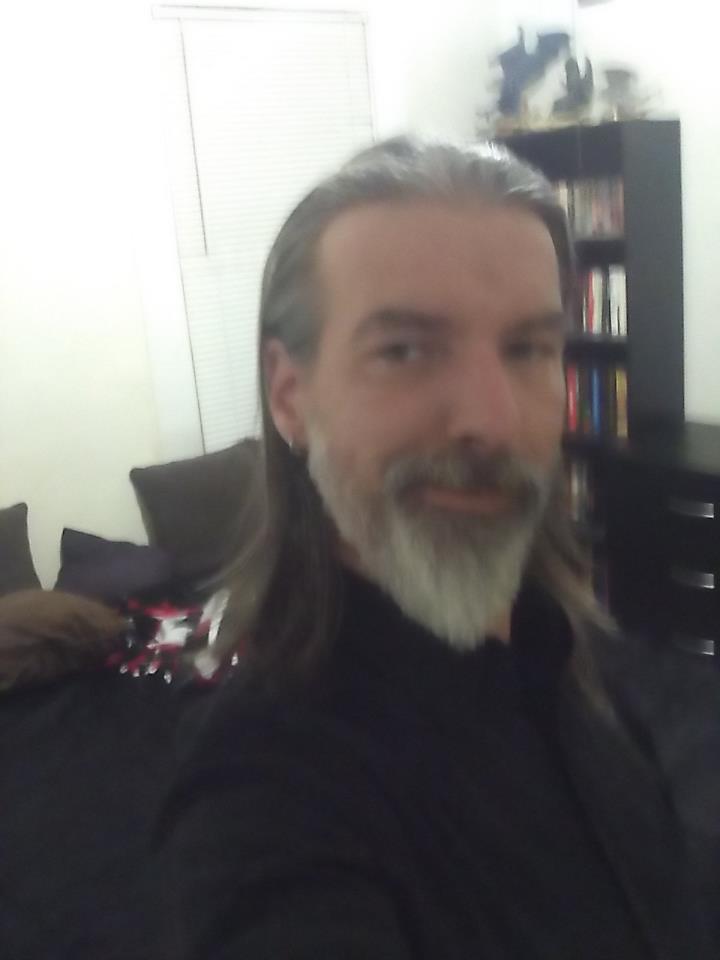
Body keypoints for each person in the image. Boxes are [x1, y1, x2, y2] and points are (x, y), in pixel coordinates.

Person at [159, 136, 705, 959]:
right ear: (290, 394)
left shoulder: (563, 655)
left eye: (527, 349)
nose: (490, 419)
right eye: (405, 350)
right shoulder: (262, 790)